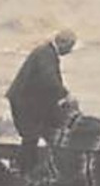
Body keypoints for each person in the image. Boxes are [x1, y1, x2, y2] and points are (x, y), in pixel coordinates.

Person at [6, 28, 75, 174]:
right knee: (31, 136)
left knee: (33, 136)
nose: (70, 51)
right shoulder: (46, 54)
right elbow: (49, 80)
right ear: (62, 43)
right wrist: (66, 95)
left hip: (30, 102)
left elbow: (47, 84)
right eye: (70, 47)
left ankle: (26, 170)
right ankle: (25, 171)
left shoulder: (46, 52)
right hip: (24, 102)